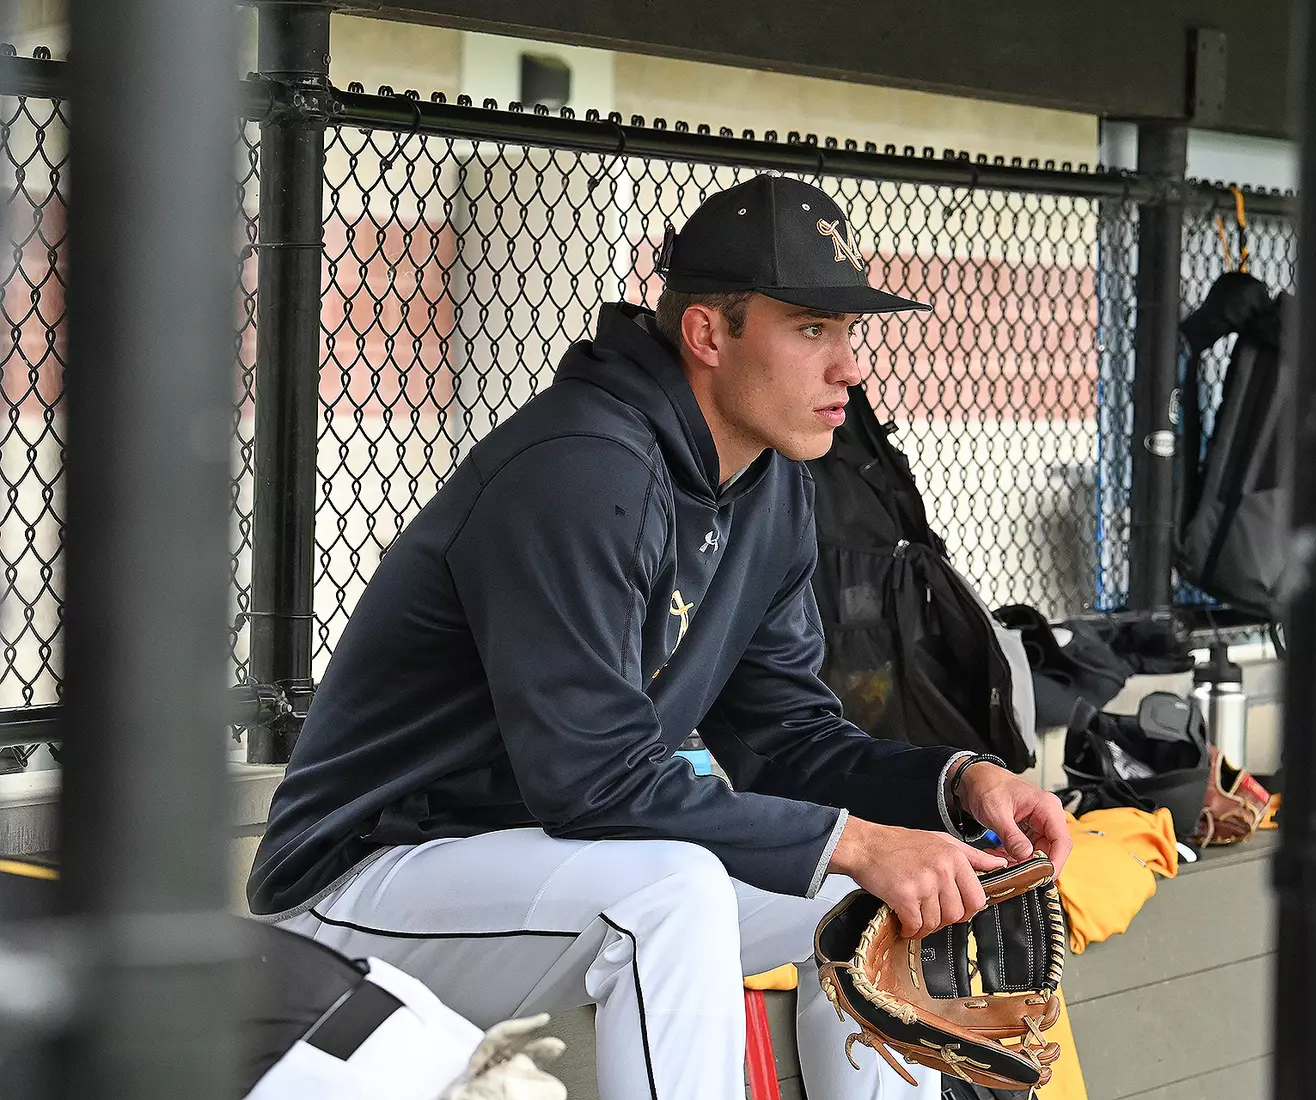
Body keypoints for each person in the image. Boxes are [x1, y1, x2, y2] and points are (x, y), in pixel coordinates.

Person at [246, 174, 1073, 1100]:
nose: (849, 367)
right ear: (708, 334)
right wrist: (856, 838)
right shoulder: (579, 468)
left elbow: (781, 739)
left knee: (875, 894)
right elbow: (591, 780)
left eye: (849, 333)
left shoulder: (770, 485)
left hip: (550, 871)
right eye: (810, 329)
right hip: (367, 887)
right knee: (672, 894)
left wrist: (955, 784)